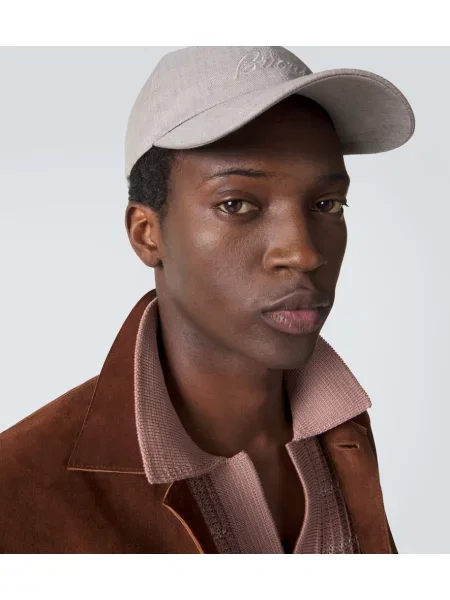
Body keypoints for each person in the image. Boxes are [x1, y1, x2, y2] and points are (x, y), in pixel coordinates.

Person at [0, 46, 415, 553]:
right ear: (147, 234)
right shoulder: (19, 486)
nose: (304, 253)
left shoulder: (343, 429)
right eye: (236, 204)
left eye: (328, 204)